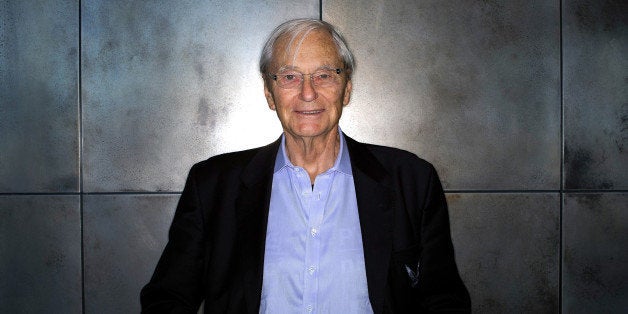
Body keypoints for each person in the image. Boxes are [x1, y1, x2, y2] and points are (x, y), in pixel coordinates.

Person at [141, 18, 470, 313]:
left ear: (347, 89)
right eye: (289, 77)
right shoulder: (212, 185)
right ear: (270, 94)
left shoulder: (412, 181)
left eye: (324, 75)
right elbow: (168, 299)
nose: (308, 93)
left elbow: (443, 300)